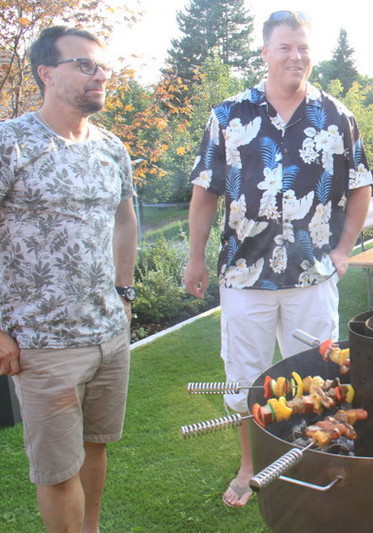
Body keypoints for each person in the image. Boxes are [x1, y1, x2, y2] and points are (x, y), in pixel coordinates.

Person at [183, 10, 372, 508]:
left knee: (319, 375)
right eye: (286, 47)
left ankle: (315, 460)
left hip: (313, 275)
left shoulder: (337, 116)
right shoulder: (229, 115)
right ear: (265, 52)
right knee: (245, 378)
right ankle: (250, 465)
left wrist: (343, 250)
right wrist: (195, 258)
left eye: (303, 47)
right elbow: (206, 191)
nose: (296, 56)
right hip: (244, 274)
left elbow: (360, 186)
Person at [0, 26, 137, 533]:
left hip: (108, 334)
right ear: (47, 73)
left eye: (102, 66)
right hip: (42, 344)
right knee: (58, 472)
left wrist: (124, 294)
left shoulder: (112, 148)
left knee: (95, 448)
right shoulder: (11, 143)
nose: (99, 75)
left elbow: (125, 220)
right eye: (84, 65)